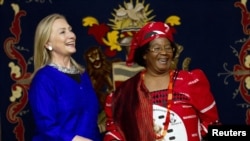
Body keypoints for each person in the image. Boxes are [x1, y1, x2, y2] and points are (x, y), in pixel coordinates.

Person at [103, 21, 220, 141]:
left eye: (168, 47)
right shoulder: (125, 93)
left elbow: (212, 124)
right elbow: (115, 131)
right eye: (156, 48)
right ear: (144, 54)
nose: (164, 52)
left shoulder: (190, 82)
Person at [28, 13, 102, 141]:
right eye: (62, 32)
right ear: (47, 43)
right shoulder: (43, 79)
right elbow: (46, 126)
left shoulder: (83, 75)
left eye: (70, 30)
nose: (71, 35)